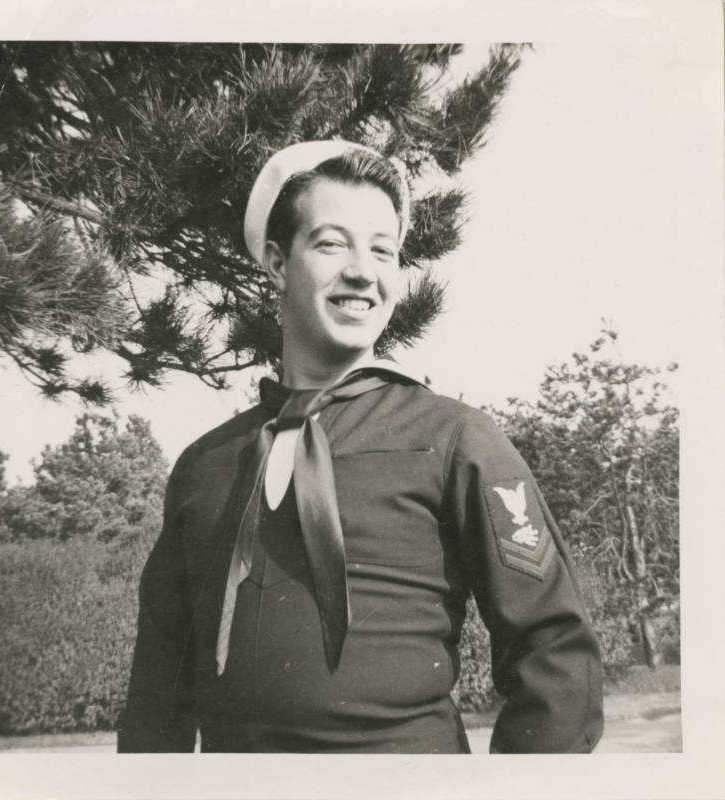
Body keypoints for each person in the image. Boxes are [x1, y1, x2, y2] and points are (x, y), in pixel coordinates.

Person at [117, 140, 604, 753]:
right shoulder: (203, 465)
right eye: (331, 243)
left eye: (383, 251)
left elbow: (556, 653)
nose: (362, 271)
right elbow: (157, 692)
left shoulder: (455, 439)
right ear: (275, 261)